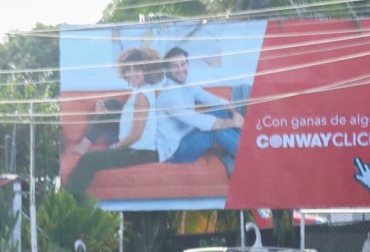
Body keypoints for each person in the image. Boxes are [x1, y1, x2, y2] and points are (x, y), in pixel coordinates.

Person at [64, 46, 161, 198]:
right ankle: (84, 145)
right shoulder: (141, 90)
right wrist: (102, 105)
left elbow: (136, 135)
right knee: (112, 105)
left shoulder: (142, 96)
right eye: (128, 70)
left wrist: (114, 148)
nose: (131, 74)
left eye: (137, 69)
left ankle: (70, 201)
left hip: (139, 152)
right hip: (135, 146)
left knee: (88, 160)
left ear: (147, 71)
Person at [156, 45, 243, 174]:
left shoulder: (187, 84)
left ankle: (247, 146)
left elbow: (217, 101)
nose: (180, 69)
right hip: (176, 152)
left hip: (189, 136)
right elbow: (202, 122)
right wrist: (233, 123)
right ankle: (249, 155)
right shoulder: (169, 95)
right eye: (175, 66)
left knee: (220, 111)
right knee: (213, 130)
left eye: (183, 64)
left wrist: (235, 114)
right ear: (167, 69)